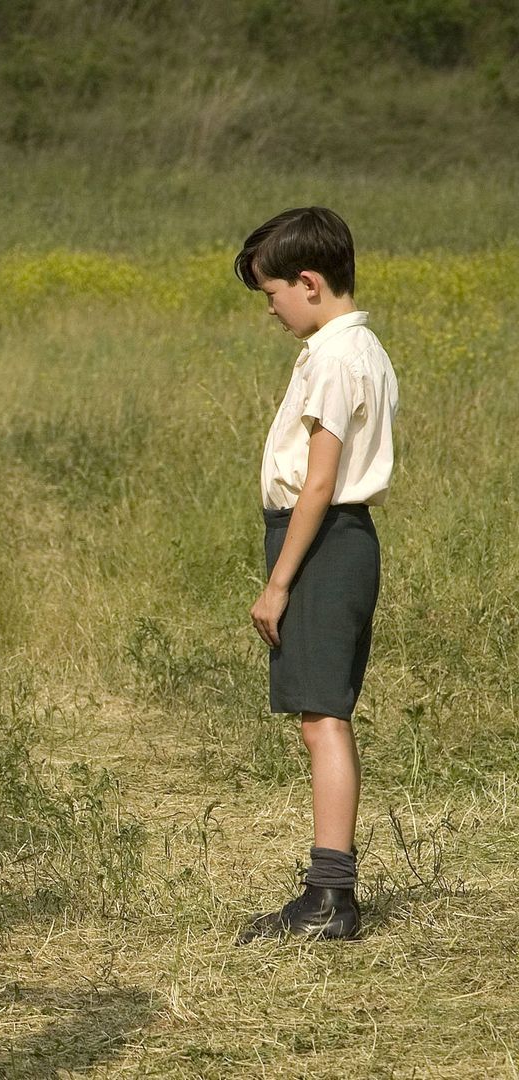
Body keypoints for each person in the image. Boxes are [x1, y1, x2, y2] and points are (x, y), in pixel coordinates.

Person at [232, 206, 399, 944]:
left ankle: (330, 897)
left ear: (308, 281)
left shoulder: (336, 356)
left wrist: (278, 582)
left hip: (323, 539)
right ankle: (330, 893)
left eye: (271, 293)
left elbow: (321, 482)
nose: (269, 309)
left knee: (323, 719)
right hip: (330, 540)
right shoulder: (356, 347)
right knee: (318, 716)